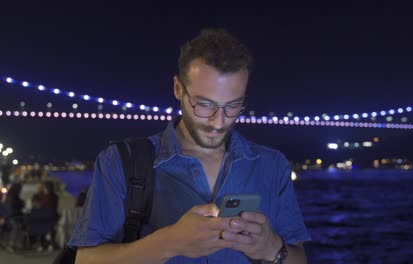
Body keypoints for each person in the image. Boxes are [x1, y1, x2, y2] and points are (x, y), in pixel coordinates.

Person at [68, 28, 310, 263]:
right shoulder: (120, 162)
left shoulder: (272, 165)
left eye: (233, 105)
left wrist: (272, 248)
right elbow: (85, 260)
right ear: (177, 89)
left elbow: (298, 258)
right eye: (204, 105)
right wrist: (169, 243)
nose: (218, 121)